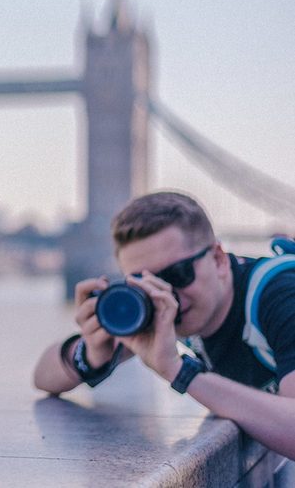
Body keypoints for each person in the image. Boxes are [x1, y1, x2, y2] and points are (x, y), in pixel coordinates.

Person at [33, 191, 295, 460]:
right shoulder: (167, 311)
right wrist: (91, 353)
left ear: (217, 258)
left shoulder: (281, 296)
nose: (166, 295)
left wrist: (178, 370)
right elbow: (44, 377)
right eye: (145, 284)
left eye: (178, 274)